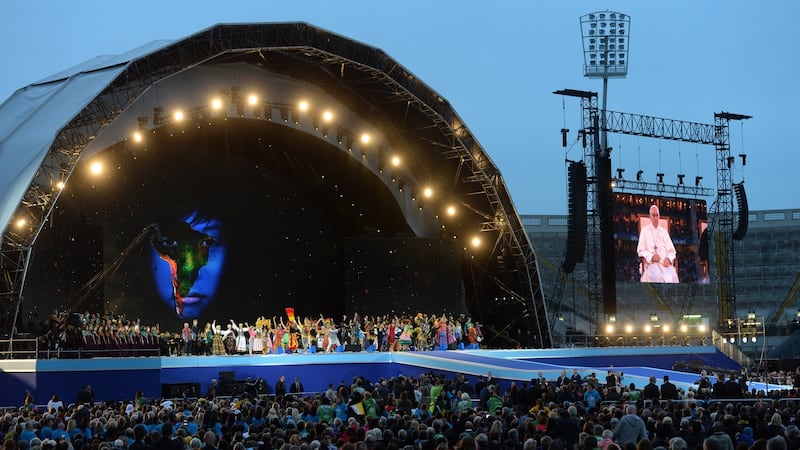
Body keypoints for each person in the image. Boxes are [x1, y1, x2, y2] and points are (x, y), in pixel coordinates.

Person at [637, 205, 679, 283]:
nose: (656, 218)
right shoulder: (644, 231)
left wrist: (668, 259)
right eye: (653, 215)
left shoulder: (664, 232)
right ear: (650, 217)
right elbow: (640, 250)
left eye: (657, 215)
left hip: (665, 265)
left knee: (672, 275)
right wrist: (651, 257)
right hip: (651, 265)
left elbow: (672, 251)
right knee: (656, 276)